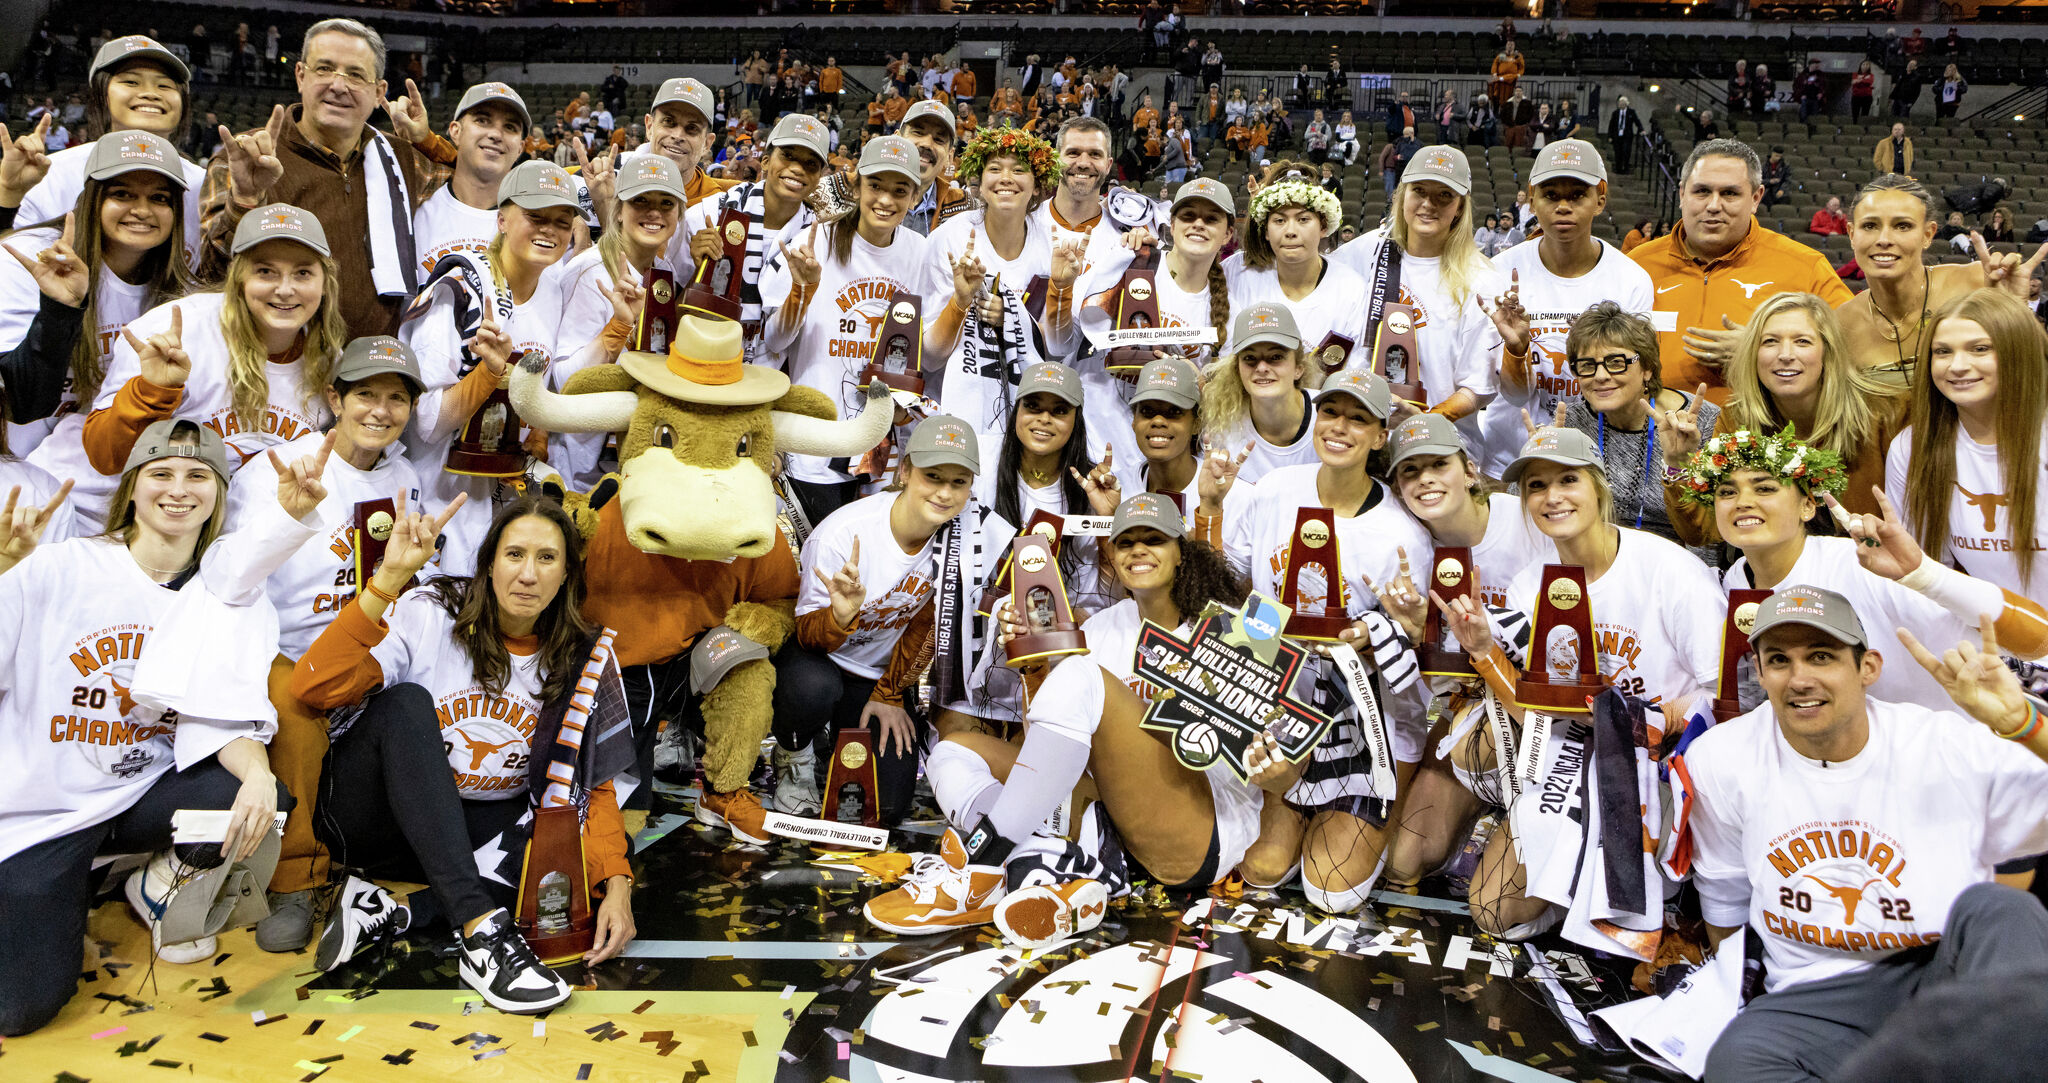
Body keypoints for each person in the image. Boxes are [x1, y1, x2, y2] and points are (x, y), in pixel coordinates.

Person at [0, 419, 319, 1033]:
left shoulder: (227, 596)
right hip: (47, 804)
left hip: (139, 790)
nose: (179, 489)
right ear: (133, 488)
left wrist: (257, 774)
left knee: (258, 795)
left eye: (198, 476)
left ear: (218, 493)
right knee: (20, 1010)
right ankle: (73, 882)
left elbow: (224, 714)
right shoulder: (57, 565)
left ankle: (159, 881)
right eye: (161, 474)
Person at [861, 491, 1268, 942]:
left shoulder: (1238, 630)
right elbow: (1049, 746)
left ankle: (985, 863)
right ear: (1111, 555)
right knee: (953, 751)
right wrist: (1034, 664)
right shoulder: (1097, 628)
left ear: (1181, 555)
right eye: (1126, 541)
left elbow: (1269, 752)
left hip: (1197, 826)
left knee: (1080, 674)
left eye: (1154, 539)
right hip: (1113, 816)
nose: (1138, 550)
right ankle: (1054, 863)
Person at [1686, 586, 2048, 1083]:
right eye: (1779, 660)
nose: (1800, 679)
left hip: (1945, 971)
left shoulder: (1947, 744)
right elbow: (1724, 895)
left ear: (1868, 667)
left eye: (1821, 656)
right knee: (1733, 1062)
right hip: (1816, 997)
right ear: (1761, 673)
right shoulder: (1721, 758)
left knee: (2002, 911)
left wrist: (2023, 724)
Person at [290, 495, 638, 1012]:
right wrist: (386, 582)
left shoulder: (580, 655)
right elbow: (313, 688)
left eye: (547, 558)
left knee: (561, 856)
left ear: (566, 575)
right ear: (489, 563)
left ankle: (391, 908)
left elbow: (590, 790)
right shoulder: (428, 611)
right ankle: (480, 936)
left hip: (461, 837)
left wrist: (618, 886)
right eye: (514, 554)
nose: (528, 574)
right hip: (375, 816)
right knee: (407, 704)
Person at [1434, 426, 1722, 938]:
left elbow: (1720, 692)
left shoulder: (1672, 571)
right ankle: (1562, 876)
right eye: (1536, 486)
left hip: (1655, 759)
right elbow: (1530, 701)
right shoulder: (1533, 582)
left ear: (1598, 486)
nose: (1552, 497)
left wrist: (1649, 722)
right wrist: (1482, 651)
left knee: (1623, 909)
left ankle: (1635, 874)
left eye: (1567, 479)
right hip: (1572, 752)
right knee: (1493, 912)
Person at [1223, 369, 1434, 913]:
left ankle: (1354, 802)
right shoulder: (1274, 490)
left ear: (1380, 436)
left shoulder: (1402, 533)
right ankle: (1290, 796)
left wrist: (1389, 633)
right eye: (1332, 412)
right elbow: (1243, 593)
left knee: (1333, 892)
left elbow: (1409, 653)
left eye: (1358, 418)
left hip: (1367, 727)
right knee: (1262, 870)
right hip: (1283, 704)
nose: (1340, 427)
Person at [1676, 428, 2048, 714]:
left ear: (1808, 506)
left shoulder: (1863, 565)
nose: (1743, 502)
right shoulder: (1731, 585)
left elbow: (2038, 640)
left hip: (1955, 745)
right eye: (1726, 492)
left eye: (1765, 488)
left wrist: (1921, 573)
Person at [31, 203, 342, 534]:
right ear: (238, 279)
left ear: (325, 282)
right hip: (74, 510)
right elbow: (105, 456)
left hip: (179, 534)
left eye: (303, 273)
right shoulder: (178, 330)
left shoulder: (328, 362)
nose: (284, 288)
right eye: (265, 271)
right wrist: (153, 391)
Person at [781, 414, 1004, 826]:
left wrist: (888, 693)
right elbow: (806, 636)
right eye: (932, 476)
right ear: (905, 470)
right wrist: (839, 616)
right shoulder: (843, 533)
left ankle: (839, 741)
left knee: (882, 808)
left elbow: (926, 627)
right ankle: (795, 754)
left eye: (958, 482)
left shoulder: (967, 537)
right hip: (819, 661)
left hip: (874, 678)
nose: (944, 492)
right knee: (811, 689)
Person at [1374, 414, 1554, 896]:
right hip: (1470, 705)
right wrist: (1413, 631)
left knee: (1480, 745)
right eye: (1410, 472)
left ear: (1470, 470)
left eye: (1439, 465)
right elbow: (1432, 671)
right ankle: (1484, 817)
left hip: (1551, 705)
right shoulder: (1409, 547)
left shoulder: (1526, 518)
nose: (1426, 479)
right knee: (1405, 859)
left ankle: (1514, 827)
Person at [199, 19, 435, 339]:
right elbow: (211, 274)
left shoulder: (404, 159)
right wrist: (244, 200)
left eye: (355, 74)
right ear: (300, 75)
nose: (338, 85)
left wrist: (429, 142)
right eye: (324, 68)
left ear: (379, 91)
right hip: (277, 367)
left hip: (375, 373)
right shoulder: (247, 156)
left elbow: (478, 191)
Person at [760, 136, 929, 520]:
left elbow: (926, 353)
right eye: (876, 186)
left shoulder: (920, 252)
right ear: (855, 185)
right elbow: (775, 340)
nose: (886, 200)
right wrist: (802, 292)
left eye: (899, 190)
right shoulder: (815, 241)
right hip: (817, 445)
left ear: (915, 197)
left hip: (884, 447)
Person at [0, 131, 193, 457]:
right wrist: (59, 310)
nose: (143, 210)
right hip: (17, 469)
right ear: (93, 198)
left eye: (160, 198)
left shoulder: (176, 292)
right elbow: (20, 403)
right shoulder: (31, 256)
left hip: (103, 468)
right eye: (123, 194)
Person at [1660, 292, 1898, 549]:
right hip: (1772, 571)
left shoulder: (1883, 412)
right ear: (1753, 353)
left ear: (1828, 351)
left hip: (1871, 567)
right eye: (1770, 341)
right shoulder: (1738, 415)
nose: (1785, 354)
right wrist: (1678, 463)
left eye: (1802, 342)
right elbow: (1703, 533)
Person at [1630, 139, 1851, 403]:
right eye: (1701, 191)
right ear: (1681, 194)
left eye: (1729, 194)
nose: (1713, 205)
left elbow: (1851, 351)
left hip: (1763, 437)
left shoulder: (1805, 266)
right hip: (1652, 435)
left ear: (1756, 198)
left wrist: (1759, 351)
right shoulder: (1636, 266)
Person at [1483, 139, 1656, 476]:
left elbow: (1631, 381)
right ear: (1532, 200)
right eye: (1551, 195)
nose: (1563, 206)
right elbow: (1510, 393)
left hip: (1597, 460)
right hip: (1508, 456)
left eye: (1577, 195)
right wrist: (1517, 351)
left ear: (1600, 199)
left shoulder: (1631, 279)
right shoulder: (1498, 273)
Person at [919, 127, 1083, 456]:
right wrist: (960, 303)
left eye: (1019, 170)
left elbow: (1060, 351)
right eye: (995, 168)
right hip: (956, 416)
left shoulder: (1057, 244)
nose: (1006, 178)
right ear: (978, 181)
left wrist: (1060, 290)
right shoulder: (949, 239)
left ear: (1038, 185)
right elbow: (929, 357)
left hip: (1032, 420)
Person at [1888, 290, 2048, 612]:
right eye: (1942, 351)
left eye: (1980, 349)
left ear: (2019, 353)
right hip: (1996, 647)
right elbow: (1930, 577)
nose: (1958, 366)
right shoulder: (1912, 447)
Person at [1334, 145, 1501, 445]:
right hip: (1359, 438)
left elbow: (1476, 388)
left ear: (1460, 207)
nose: (1428, 204)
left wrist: (1425, 422)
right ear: (1402, 195)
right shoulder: (1364, 252)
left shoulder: (1482, 279)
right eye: (1419, 191)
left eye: (1444, 196)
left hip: (1441, 443)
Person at [1074, 176, 1235, 472]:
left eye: (1211, 219)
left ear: (1228, 234)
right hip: (1098, 440)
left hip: (1162, 455)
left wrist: (1198, 382)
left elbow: (1222, 401)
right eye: (1188, 216)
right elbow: (1075, 330)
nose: (1198, 224)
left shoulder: (1228, 307)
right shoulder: (1133, 262)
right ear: (1171, 226)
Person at [551, 155, 686, 489]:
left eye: (666, 203)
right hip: (579, 475)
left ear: (679, 215)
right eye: (641, 200)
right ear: (619, 211)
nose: (654, 212)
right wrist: (616, 330)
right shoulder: (589, 272)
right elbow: (563, 381)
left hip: (635, 465)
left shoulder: (664, 272)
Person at [4, 36, 203, 262]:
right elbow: (10, 261)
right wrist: (7, 195)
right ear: (101, 95)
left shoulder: (203, 184)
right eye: (131, 82)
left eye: (165, 85)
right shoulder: (51, 174)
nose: (151, 93)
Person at [1836, 174, 2039, 391]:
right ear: (1851, 234)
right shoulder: (1840, 324)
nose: (1884, 239)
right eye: (1869, 226)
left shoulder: (1977, 284)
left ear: (1928, 234)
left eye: (1902, 226)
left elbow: (2034, 381)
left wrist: (2018, 311)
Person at [1550, 303, 1719, 547]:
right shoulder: (1567, 425)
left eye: (1616, 362)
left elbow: (1711, 534)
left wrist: (1680, 463)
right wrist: (1544, 463)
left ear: (1647, 369)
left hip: (1677, 563)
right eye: (1587, 365)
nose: (1600, 376)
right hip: (1592, 555)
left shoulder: (1701, 423)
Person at [675, 112, 828, 366]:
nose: (798, 168)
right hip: (695, 361)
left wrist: (800, 292)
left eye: (810, 164)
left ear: (818, 177)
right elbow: (671, 307)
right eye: (788, 155)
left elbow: (778, 340)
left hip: (766, 377)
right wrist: (700, 272)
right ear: (766, 161)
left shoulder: (819, 241)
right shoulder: (707, 214)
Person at [1227, 162, 1373, 376]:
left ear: (1323, 226)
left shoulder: (1352, 290)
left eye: (1303, 219)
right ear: (1266, 230)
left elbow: (1356, 372)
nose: (1290, 231)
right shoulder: (1237, 273)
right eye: (1279, 220)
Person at [385, 82, 532, 279]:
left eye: (510, 127)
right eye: (482, 120)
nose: (496, 134)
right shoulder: (413, 201)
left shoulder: (536, 225)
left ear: (520, 148)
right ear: (455, 131)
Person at [1606, 95, 1641, 174]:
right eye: (1619, 103)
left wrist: (1641, 130)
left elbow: (1637, 121)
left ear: (1626, 104)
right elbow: (1611, 125)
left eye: (1622, 103)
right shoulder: (1615, 113)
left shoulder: (1631, 112)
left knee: (1626, 152)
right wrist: (1610, 136)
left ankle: (1625, 168)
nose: (1620, 104)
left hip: (1627, 136)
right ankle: (1618, 169)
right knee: (1618, 152)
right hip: (1617, 136)